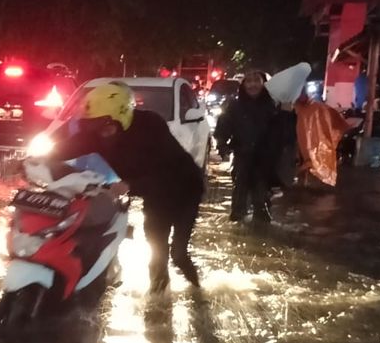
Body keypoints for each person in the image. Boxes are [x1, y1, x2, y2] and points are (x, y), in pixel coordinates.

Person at [49, 83, 203, 293]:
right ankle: (158, 296)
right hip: (151, 192)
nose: (102, 134)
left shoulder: (151, 126)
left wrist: (130, 185)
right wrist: (32, 160)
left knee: (177, 253)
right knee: (156, 245)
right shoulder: (95, 132)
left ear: (122, 117)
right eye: (96, 128)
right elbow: (66, 148)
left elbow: (166, 172)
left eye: (107, 128)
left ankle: (199, 293)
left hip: (182, 187)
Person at [214, 70, 277, 223]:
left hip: (265, 160)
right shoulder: (234, 105)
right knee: (239, 198)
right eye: (249, 81)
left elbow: (283, 131)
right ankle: (237, 227)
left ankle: (262, 230)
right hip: (242, 157)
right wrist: (223, 146)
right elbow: (223, 127)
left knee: (261, 199)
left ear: (263, 84)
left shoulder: (273, 106)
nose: (253, 85)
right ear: (244, 85)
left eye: (257, 81)